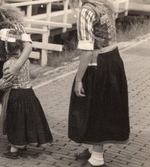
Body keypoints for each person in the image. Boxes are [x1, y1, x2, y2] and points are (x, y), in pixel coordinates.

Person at [68, 0, 130, 167]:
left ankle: (97, 159)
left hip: (97, 63)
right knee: (102, 106)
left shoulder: (86, 11)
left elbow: (87, 52)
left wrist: (79, 78)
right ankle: (92, 149)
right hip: (113, 59)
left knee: (94, 108)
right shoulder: (104, 4)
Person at [0, 28, 53, 159]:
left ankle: (13, 150)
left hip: (16, 96)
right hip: (29, 94)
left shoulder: (9, 64)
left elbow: (5, 83)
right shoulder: (25, 61)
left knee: (15, 122)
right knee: (26, 120)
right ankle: (23, 144)